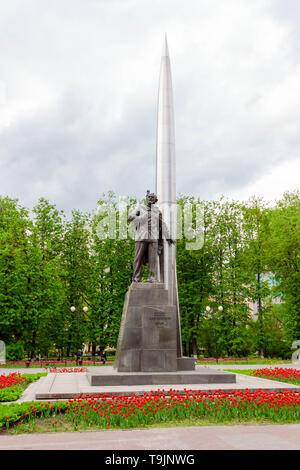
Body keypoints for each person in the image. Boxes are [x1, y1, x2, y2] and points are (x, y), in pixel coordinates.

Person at [128, 190, 175, 282]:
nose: (150, 199)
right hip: (141, 237)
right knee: (138, 259)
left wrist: (168, 237)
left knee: (152, 260)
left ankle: (151, 277)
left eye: (152, 198)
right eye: (149, 197)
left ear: (155, 200)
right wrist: (141, 217)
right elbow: (130, 217)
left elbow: (163, 224)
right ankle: (136, 278)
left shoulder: (157, 211)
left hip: (153, 238)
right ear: (146, 198)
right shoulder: (140, 208)